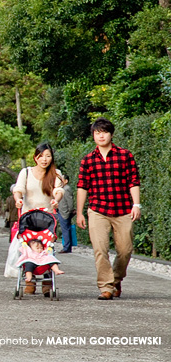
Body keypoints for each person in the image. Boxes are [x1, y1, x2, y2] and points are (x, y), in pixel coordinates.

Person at [76, 117, 141, 300]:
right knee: (100, 249)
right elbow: (82, 187)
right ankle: (106, 287)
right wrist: (80, 212)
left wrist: (136, 204)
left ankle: (116, 279)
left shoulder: (125, 155)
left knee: (125, 250)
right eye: (97, 133)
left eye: (104, 132)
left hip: (123, 209)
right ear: (93, 136)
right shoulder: (88, 160)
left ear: (111, 134)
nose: (101, 136)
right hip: (97, 209)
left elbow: (133, 181)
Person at [13, 143, 64, 214]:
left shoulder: (56, 173)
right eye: (41, 156)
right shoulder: (26, 172)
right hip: (28, 216)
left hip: (47, 217)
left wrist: (56, 201)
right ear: (35, 158)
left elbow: (59, 191)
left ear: (52, 158)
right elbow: (18, 190)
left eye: (48, 156)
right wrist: (18, 199)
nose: (44, 159)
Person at [56, 176, 75, 254]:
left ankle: (66, 247)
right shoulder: (63, 189)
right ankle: (67, 246)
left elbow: (70, 202)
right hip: (62, 211)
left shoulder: (66, 189)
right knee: (66, 229)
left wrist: (69, 211)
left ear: (66, 181)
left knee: (65, 229)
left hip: (64, 212)